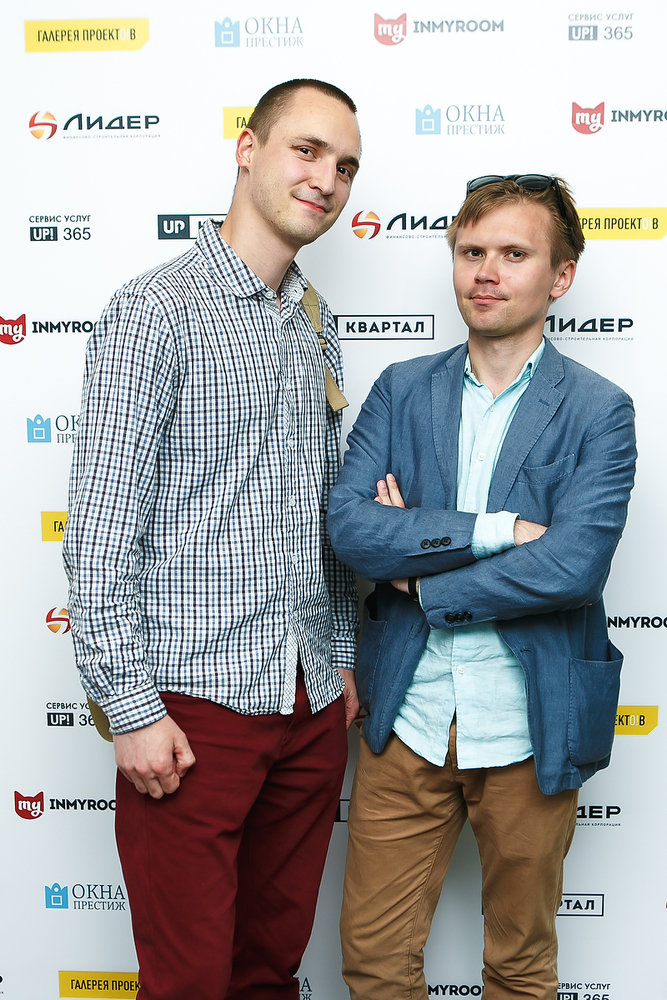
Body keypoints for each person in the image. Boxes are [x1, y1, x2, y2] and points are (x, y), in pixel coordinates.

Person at [63, 78, 361, 1000]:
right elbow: (100, 528)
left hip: (308, 700)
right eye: (306, 150)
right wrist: (130, 708)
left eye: (345, 166)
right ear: (247, 148)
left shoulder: (314, 322)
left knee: (268, 973)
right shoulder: (156, 310)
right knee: (187, 982)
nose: (326, 179)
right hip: (192, 710)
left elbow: (321, 513)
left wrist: (342, 659)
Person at [328, 175, 636, 1000]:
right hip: (409, 716)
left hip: (529, 721)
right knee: (374, 960)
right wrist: (497, 530)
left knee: (520, 964)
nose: (485, 272)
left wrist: (420, 581)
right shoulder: (401, 388)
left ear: (560, 276)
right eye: (470, 252)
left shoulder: (599, 410)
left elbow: (573, 566)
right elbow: (351, 528)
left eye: (512, 254)